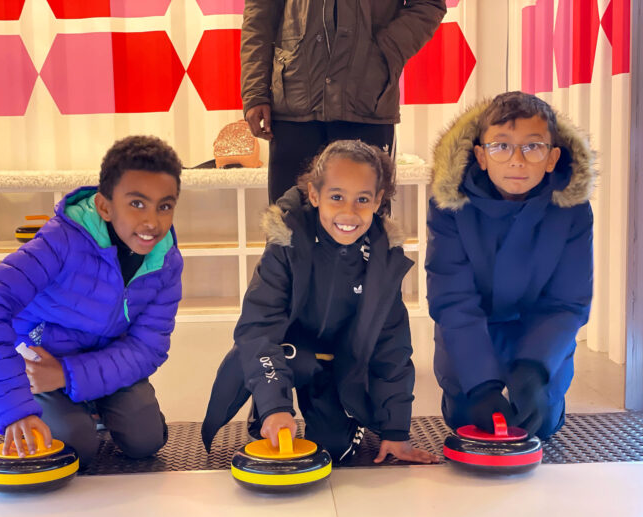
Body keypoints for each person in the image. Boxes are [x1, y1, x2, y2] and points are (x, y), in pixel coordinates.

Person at [202, 139, 438, 465]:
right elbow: (258, 328)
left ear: (378, 200)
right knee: (288, 362)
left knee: (334, 449)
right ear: (314, 195)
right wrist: (274, 405)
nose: (349, 212)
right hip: (289, 354)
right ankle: (269, 400)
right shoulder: (288, 242)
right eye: (336, 197)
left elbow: (392, 347)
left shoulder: (383, 259)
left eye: (362, 200)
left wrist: (395, 430)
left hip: (339, 365)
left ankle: (338, 414)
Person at [0, 136, 184, 467]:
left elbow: (148, 348)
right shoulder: (60, 241)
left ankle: (91, 405)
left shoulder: (167, 262)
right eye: (137, 203)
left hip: (97, 362)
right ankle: (67, 412)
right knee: (74, 447)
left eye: (164, 206)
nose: (152, 222)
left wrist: (68, 374)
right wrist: (15, 410)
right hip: (41, 362)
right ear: (105, 206)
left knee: (145, 440)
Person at [425, 91, 595, 439]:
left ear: (552, 158)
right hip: (471, 332)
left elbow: (567, 301)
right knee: (468, 420)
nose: (517, 160)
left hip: (537, 330)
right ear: (481, 156)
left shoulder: (572, 210)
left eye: (532, 147)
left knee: (538, 422)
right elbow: (452, 298)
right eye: (501, 147)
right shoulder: (450, 206)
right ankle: (463, 392)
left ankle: (545, 391)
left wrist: (534, 368)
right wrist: (481, 384)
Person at [241, 0, 447, 204]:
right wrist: (255, 91)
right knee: (288, 225)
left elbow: (429, 4)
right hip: (294, 102)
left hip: (366, 101)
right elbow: (259, 13)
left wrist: (385, 50)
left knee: (368, 224)